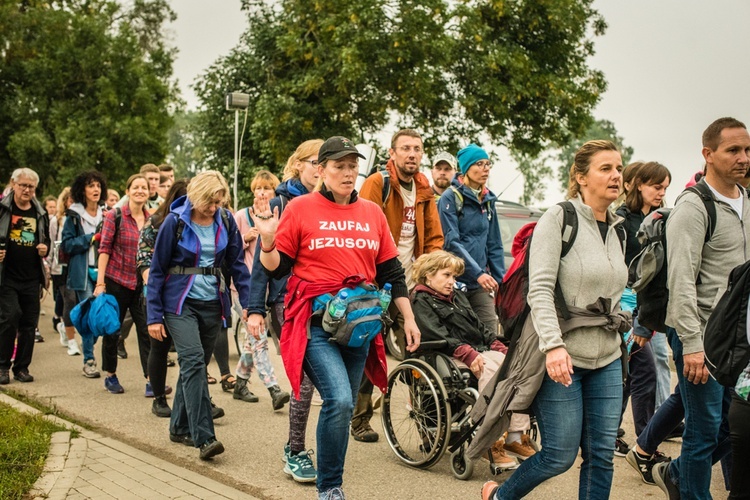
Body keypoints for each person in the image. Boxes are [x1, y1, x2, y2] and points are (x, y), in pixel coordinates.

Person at [254, 136, 421, 500]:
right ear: (322, 170)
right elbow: (276, 269)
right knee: (341, 400)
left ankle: (330, 478)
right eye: (338, 166)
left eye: (352, 166)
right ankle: (330, 488)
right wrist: (267, 241)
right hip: (314, 321)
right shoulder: (300, 208)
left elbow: (392, 271)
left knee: (340, 409)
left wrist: (408, 318)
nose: (347, 173)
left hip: (359, 323)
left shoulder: (371, 214)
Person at [483, 140, 628, 500]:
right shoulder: (559, 218)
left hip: (607, 355)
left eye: (620, 168)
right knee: (558, 456)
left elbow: (618, 290)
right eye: (606, 168)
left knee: (601, 456)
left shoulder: (619, 228)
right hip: (563, 356)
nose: (616, 176)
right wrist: (553, 347)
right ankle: (500, 496)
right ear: (581, 177)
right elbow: (540, 290)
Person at [651, 117, 750, 500]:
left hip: (739, 338)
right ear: (708, 154)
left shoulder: (746, 200)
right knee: (703, 431)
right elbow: (680, 282)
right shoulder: (694, 208)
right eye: (733, 150)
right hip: (702, 337)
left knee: (734, 427)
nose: (743, 158)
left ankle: (676, 474)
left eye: (747, 150)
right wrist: (692, 345)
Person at [147, 171, 251, 460]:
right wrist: (154, 316)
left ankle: (179, 426)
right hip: (179, 304)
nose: (213, 208)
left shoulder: (226, 221)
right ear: (197, 196)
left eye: (218, 202)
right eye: (210, 202)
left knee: (194, 366)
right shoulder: (174, 222)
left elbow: (237, 266)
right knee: (193, 362)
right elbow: (156, 270)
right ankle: (204, 437)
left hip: (212, 303)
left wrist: (249, 305)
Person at [355, 129, 443, 442]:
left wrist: (430, 274)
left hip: (410, 284)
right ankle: (360, 419)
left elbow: (433, 238)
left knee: (418, 351)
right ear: (392, 153)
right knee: (371, 350)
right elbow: (361, 231)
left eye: (417, 149)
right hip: (377, 283)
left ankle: (426, 424)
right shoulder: (378, 183)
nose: (412, 154)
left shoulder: (423, 187)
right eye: (405, 148)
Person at [411, 250, 535, 467]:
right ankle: (489, 439)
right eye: (446, 275)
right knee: (491, 371)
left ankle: (515, 436)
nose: (452, 282)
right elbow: (436, 334)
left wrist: (499, 347)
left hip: (477, 350)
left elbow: (480, 327)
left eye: (454, 277)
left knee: (515, 370)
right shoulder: (421, 299)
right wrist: (467, 353)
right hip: (447, 355)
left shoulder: (457, 297)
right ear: (428, 275)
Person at [246, 139, 322, 483]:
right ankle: (295, 451)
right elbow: (264, 259)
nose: (320, 169)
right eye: (315, 162)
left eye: (326, 163)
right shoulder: (280, 202)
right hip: (284, 298)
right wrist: (254, 308)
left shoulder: (330, 202)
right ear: (298, 165)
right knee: (304, 379)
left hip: (323, 299)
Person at [613, 162, 673, 478]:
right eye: (656, 187)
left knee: (632, 372)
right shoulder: (622, 220)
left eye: (665, 188)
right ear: (639, 186)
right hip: (624, 306)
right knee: (644, 370)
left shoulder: (658, 219)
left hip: (644, 307)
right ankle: (644, 445)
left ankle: (621, 438)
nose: (662, 193)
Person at [230, 170, 290, 410]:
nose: (262, 192)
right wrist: (246, 237)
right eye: (258, 188)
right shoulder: (241, 216)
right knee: (259, 337)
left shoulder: (278, 215)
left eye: (267, 188)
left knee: (252, 338)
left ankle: (240, 382)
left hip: (268, 287)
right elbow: (229, 249)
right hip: (243, 287)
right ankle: (273, 388)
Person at [93, 174, 153, 395]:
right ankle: (110, 375)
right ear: (128, 191)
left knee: (147, 331)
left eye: (144, 188)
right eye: (135, 187)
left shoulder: (150, 219)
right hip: (116, 282)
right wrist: (100, 284)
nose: (140, 191)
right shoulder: (114, 216)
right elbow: (104, 249)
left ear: (148, 193)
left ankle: (151, 379)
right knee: (112, 331)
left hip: (140, 285)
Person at [438, 144, 504, 332]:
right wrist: (478, 273)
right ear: (466, 168)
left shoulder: (488, 201)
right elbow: (451, 242)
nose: (485, 169)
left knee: (490, 333)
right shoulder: (450, 198)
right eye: (479, 164)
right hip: (455, 282)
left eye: (487, 164)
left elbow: (494, 244)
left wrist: (502, 282)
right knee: (463, 335)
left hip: (480, 284)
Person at [137, 179, 188, 417]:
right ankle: (159, 398)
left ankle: (196, 398)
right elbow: (144, 259)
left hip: (187, 295)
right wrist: (155, 284)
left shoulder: (201, 222)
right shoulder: (157, 221)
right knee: (159, 346)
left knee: (191, 352)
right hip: (159, 293)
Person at [0, 168, 49, 385]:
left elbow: (46, 240)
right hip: (7, 276)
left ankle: (22, 367)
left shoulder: (39, 212)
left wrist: (44, 248)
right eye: (23, 185)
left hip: (31, 277)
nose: (27, 190)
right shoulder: (3, 209)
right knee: (10, 318)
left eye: (31, 186)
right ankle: (2, 366)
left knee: (29, 324)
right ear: (13, 184)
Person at [62, 171, 107, 377]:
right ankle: (89, 360)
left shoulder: (107, 213)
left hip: (103, 272)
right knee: (89, 314)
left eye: (98, 185)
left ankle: (89, 342)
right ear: (82, 190)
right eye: (91, 186)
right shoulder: (73, 215)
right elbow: (67, 245)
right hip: (83, 271)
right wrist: (91, 238)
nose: (95, 189)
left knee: (99, 316)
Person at [48, 187, 72, 346]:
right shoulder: (57, 220)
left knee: (73, 299)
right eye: (71, 200)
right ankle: (64, 324)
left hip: (76, 265)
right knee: (66, 298)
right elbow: (51, 243)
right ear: (65, 202)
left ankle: (65, 323)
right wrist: (49, 265)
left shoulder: (81, 218)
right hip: (60, 265)